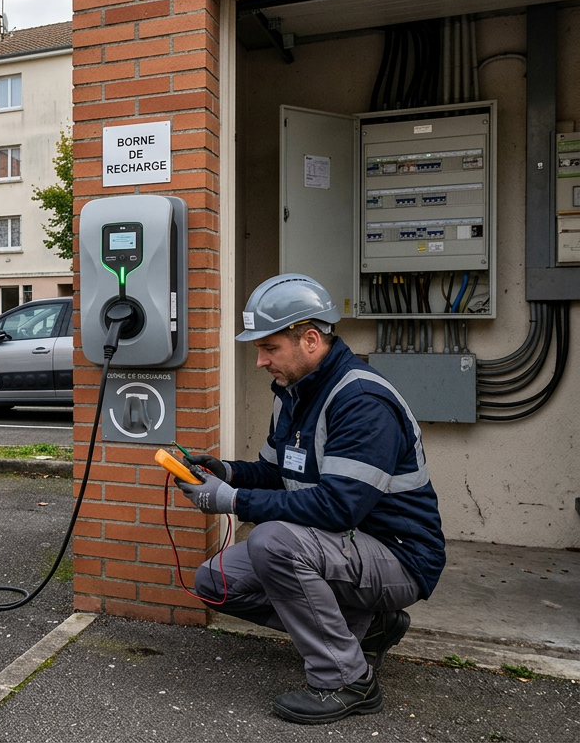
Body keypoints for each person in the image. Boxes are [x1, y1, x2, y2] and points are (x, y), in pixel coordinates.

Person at [173, 273, 445, 725]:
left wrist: (233, 500)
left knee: (273, 542)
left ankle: (345, 679)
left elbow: (339, 508)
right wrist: (227, 472)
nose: (260, 361)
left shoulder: (361, 400)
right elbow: (277, 474)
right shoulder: (293, 393)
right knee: (215, 582)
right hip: (340, 547)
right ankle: (370, 627)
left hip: (399, 557)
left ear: (312, 339)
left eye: (269, 348)